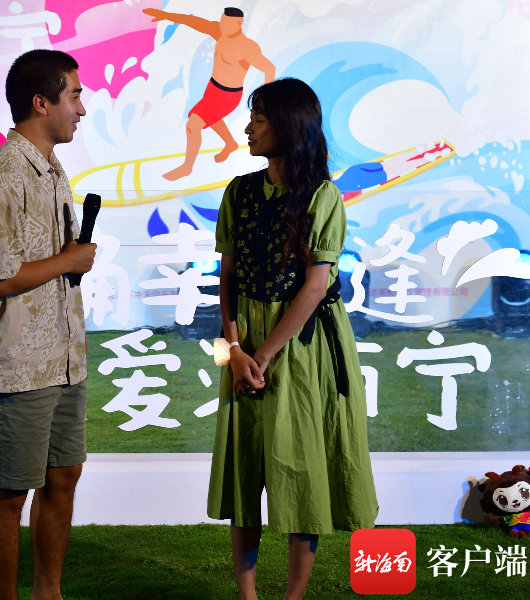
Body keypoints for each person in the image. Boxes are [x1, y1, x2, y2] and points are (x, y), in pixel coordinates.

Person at [207, 78, 379, 600]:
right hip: (245, 344)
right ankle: (247, 595)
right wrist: (235, 350)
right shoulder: (238, 191)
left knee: (302, 466)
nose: (247, 128)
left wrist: (261, 355)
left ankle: (292, 597)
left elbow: (316, 285)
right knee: (245, 466)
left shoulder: (322, 196)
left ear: (288, 126)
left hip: (303, 345)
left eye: (258, 119)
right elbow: (228, 277)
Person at [0, 49, 96, 600]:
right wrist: (69, 260)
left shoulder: (50, 168)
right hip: (14, 365)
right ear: (42, 102)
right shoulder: (3, 175)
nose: (81, 109)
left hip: (62, 359)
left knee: (63, 478)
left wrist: (68, 259)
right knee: (11, 492)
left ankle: (48, 592)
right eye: (75, 96)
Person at [142, 6, 275, 181]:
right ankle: (230, 143)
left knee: (193, 124)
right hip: (212, 89)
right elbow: (193, 21)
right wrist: (166, 15)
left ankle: (187, 167)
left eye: (227, 23)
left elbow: (269, 68)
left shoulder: (247, 47)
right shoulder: (220, 32)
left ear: (238, 24)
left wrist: (266, 100)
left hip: (228, 96)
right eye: (222, 21)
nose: (222, 26)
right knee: (211, 118)